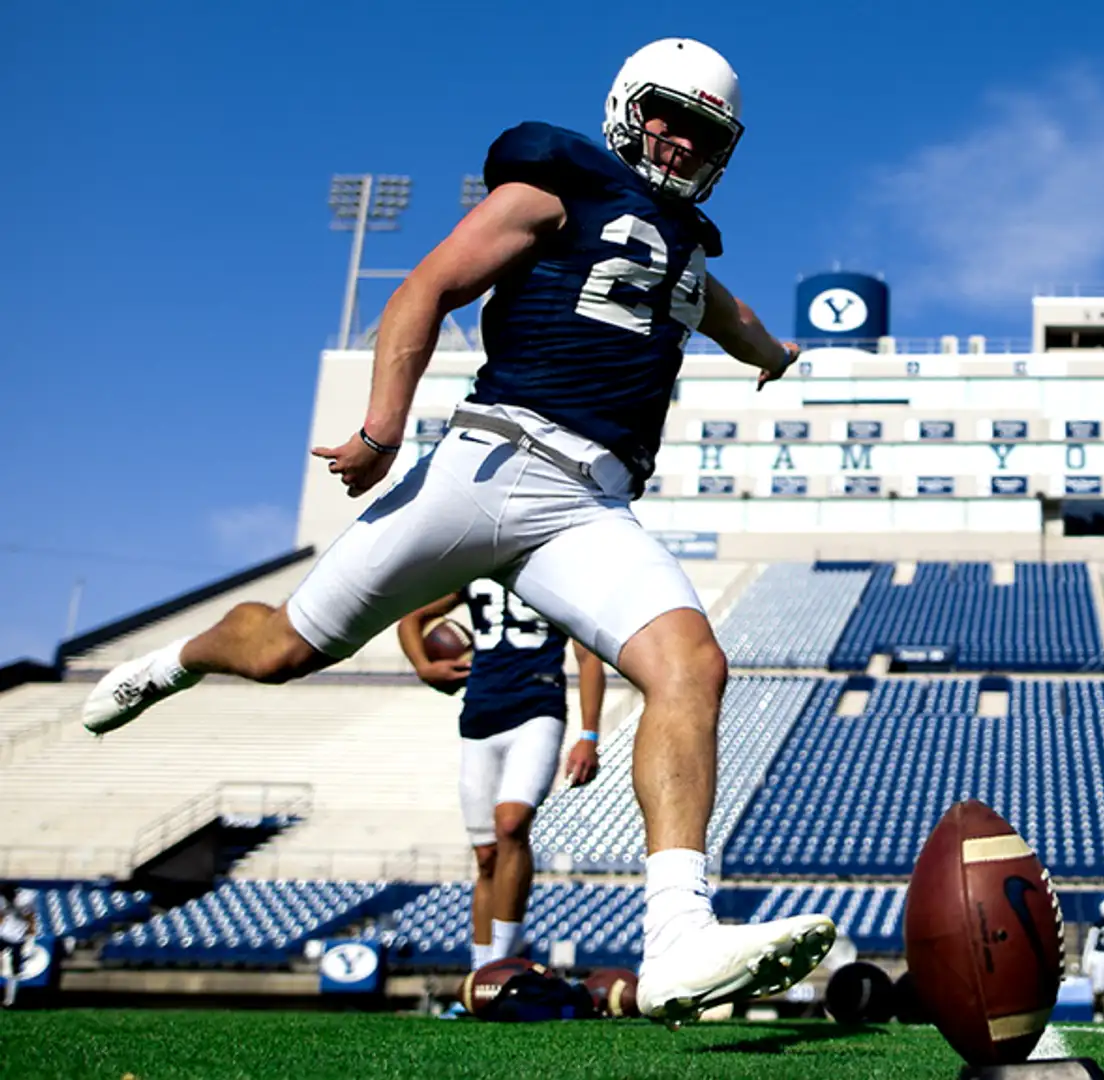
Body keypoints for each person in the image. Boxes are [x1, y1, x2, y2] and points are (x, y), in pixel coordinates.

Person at [79, 37, 833, 1025]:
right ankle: (176, 659)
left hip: (592, 506)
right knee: (282, 652)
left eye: (703, 130)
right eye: (668, 114)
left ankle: (680, 936)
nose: (680, 140)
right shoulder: (555, 188)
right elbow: (425, 287)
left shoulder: (686, 252)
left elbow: (726, 315)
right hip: (489, 466)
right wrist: (384, 429)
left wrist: (774, 353)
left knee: (693, 665)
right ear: (623, 107)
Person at [397, 580, 605, 970]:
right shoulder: (474, 568)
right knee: (487, 856)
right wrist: (425, 668)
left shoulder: (554, 572)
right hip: (479, 715)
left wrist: (588, 735)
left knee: (511, 824)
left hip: (537, 707)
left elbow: (588, 656)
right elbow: (411, 619)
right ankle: (481, 972)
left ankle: (501, 964)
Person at [0, 886, 36, 1008]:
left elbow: (30, 919)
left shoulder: (25, 902)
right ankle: (9, 999)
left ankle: (10, 1000)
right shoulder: (4, 902)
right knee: (12, 968)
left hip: (17, 938)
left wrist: (30, 936)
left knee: (15, 970)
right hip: (4, 935)